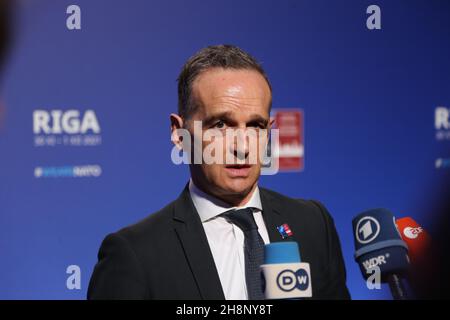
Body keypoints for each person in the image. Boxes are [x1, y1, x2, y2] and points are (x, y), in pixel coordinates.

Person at [87, 44, 351, 300]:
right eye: (221, 124)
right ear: (179, 134)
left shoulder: (313, 224)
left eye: (256, 125)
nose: (242, 146)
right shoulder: (134, 254)